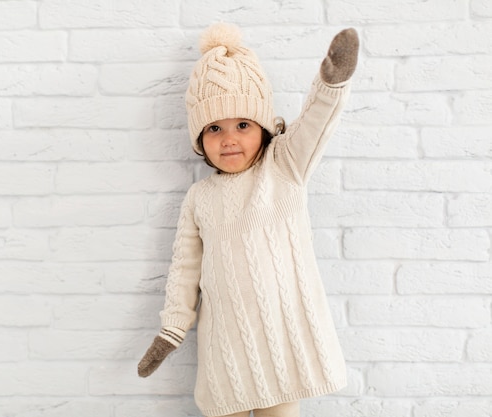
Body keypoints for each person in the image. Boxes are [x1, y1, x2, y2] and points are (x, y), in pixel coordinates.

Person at [138, 22, 359, 417]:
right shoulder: (199, 198)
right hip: (227, 346)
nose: (229, 138)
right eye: (214, 128)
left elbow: (315, 124)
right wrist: (170, 331)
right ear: (199, 139)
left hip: (284, 338)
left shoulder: (284, 166)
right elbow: (184, 270)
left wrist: (331, 83)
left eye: (242, 124)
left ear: (263, 126)